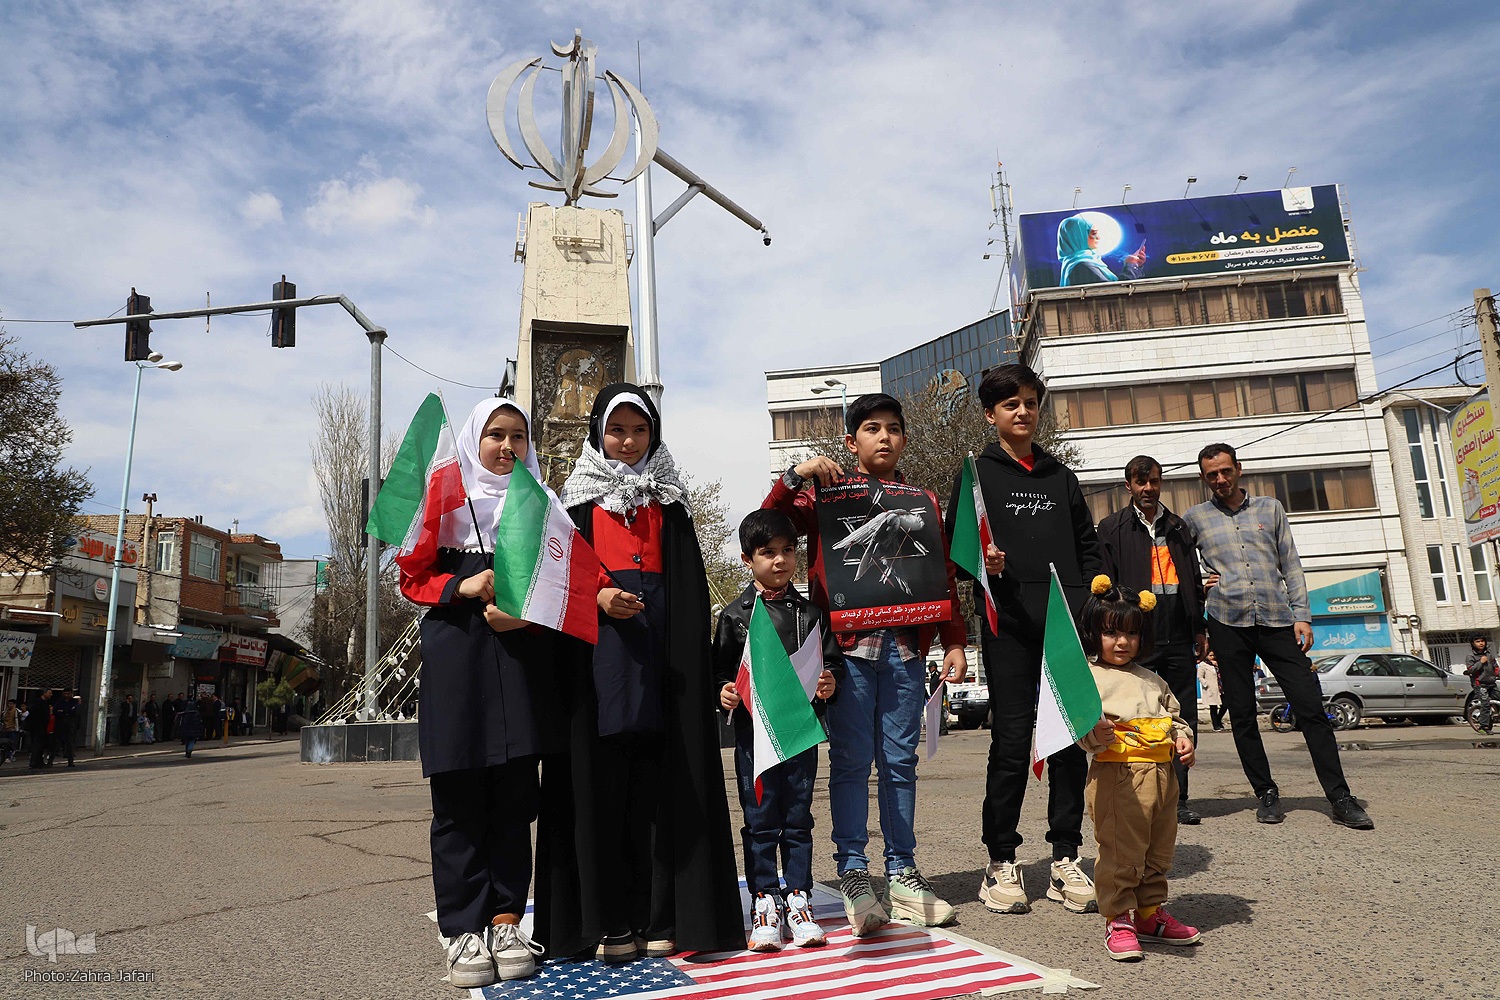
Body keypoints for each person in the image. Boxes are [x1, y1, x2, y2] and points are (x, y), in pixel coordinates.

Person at [538, 384, 745, 963]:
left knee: (659, 795)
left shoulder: (671, 505)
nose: (627, 442)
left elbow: (689, 595)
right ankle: (606, 923)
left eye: (639, 430)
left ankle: (662, 918)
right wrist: (600, 598)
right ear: (596, 435)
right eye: (616, 430)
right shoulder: (572, 508)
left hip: (661, 671)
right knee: (599, 792)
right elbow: (556, 586)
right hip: (596, 669)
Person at [768, 391, 969, 934]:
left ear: (904, 438)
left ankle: (902, 871)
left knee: (901, 763)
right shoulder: (827, 496)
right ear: (852, 440)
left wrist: (953, 640)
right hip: (848, 654)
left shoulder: (919, 498)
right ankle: (854, 873)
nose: (884, 437)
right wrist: (796, 474)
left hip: (904, 652)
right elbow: (770, 524)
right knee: (853, 763)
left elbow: (942, 574)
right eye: (872, 428)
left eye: (894, 429)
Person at [399, 397, 564, 988]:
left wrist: (524, 612)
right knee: (459, 796)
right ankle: (463, 927)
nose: (507, 447)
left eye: (519, 436)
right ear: (474, 441)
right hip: (458, 664)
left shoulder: (541, 509)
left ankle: (505, 919)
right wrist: (460, 584)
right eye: (495, 435)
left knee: (515, 796)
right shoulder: (443, 504)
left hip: (519, 665)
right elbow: (410, 577)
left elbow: (561, 583)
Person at [946, 364, 1101, 917]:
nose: (1023, 411)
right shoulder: (975, 474)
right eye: (1010, 404)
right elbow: (956, 551)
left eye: (1031, 402)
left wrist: (1086, 600)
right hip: (1006, 625)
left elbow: (1089, 544)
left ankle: (1065, 859)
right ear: (991, 414)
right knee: (1011, 744)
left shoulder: (1061, 476)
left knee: (1068, 741)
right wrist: (983, 564)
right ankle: (1001, 862)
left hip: (1064, 625)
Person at [1183, 443, 1373, 830]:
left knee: (1309, 705)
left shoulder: (1270, 509)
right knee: (1242, 714)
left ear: (1238, 469)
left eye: (1224, 471)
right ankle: (1266, 793)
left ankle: (1339, 797)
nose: (1219, 480)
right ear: (1204, 479)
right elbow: (1182, 565)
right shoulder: (1194, 518)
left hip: (1276, 620)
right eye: (1211, 475)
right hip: (1227, 622)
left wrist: (1302, 615)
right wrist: (1200, 586)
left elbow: (1291, 563)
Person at [713, 509, 842, 952]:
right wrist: (725, 692)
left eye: (788, 551)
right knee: (760, 819)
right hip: (754, 739)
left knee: (798, 818)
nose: (780, 561)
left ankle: (799, 900)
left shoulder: (810, 614)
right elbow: (719, 673)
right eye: (768, 553)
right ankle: (764, 900)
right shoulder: (735, 616)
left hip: (800, 734)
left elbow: (833, 664)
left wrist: (829, 681)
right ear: (748, 559)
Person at [1077, 576, 1202, 961]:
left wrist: (1184, 738)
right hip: (1119, 775)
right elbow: (1079, 729)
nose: (1122, 642)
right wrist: (1095, 732)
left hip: (1163, 776)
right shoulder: (1088, 677)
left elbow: (1175, 717)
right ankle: (1118, 917)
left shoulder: (1153, 679)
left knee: (1157, 849)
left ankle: (1149, 913)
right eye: (1111, 632)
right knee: (1120, 850)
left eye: (1131, 633)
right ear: (1094, 633)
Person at [1097, 455, 1207, 826]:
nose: (1148, 489)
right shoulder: (1112, 527)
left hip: (1178, 634)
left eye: (1154, 482)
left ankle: (1179, 797)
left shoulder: (1178, 526)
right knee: (1140, 713)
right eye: (1140, 483)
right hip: (1138, 637)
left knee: (1180, 716)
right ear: (1128, 485)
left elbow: (1192, 578)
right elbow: (1107, 586)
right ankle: (1139, 791)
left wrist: (1199, 628)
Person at [1055, 214, 1147, 286]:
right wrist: (1130, 265)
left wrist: (1136, 265)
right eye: (1093, 233)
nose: (1098, 237)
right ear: (1077, 237)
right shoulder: (1082, 265)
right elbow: (1115, 294)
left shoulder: (1087, 263)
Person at [1466, 636, 1497, 734]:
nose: (1481, 643)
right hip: (1480, 684)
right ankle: (1483, 726)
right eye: (1478, 641)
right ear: (1473, 643)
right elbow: (1471, 670)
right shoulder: (1471, 656)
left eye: (1482, 641)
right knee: (1485, 703)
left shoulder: (1489, 654)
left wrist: (1497, 674)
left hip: (1491, 682)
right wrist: (1481, 662)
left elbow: (1495, 668)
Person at [26, 688, 54, 769]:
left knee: (41, 745)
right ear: (44, 693)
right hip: (36, 728)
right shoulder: (37, 703)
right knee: (36, 745)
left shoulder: (46, 703)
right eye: (50, 693)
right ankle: (34, 762)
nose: (51, 695)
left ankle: (39, 762)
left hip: (43, 728)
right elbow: (34, 714)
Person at [52, 689, 80, 767]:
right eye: (65, 693)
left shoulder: (74, 701)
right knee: (55, 743)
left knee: (69, 744)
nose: (66, 695)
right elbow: (55, 711)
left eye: (68, 693)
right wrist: (65, 712)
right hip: (59, 724)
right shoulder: (59, 701)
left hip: (70, 725)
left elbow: (74, 711)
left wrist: (63, 711)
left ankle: (70, 761)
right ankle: (50, 760)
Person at [1198, 653, 1226, 731]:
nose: (1213, 657)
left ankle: (1218, 719)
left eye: (1214, 655)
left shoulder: (1218, 663)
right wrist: (1206, 684)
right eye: (1210, 655)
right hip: (1211, 689)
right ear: (1206, 656)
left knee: (1225, 705)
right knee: (1213, 707)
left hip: (1221, 688)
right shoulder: (1203, 665)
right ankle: (1216, 725)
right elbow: (1200, 676)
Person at [2, 698, 21, 764]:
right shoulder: (5, 712)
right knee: (5, 744)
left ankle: (10, 756)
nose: (9, 705)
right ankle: (6, 756)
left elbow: (19, 721)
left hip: (13, 730)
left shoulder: (17, 712)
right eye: (8, 704)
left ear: (14, 704)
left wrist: (18, 729)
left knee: (12, 743)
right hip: (5, 730)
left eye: (11, 704)